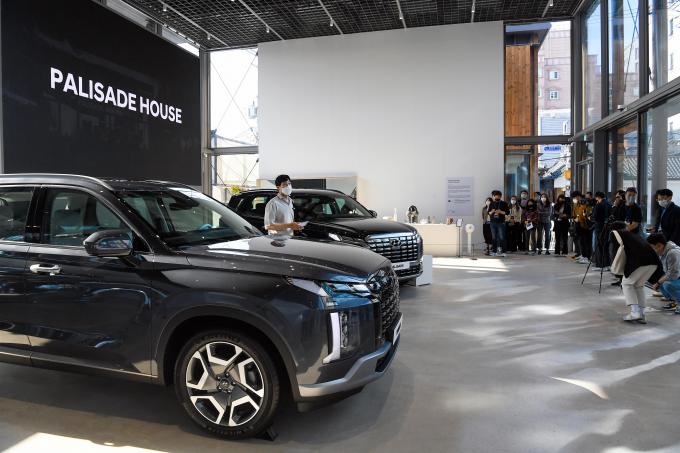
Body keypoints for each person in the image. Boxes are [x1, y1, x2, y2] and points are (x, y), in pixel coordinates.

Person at [611, 222, 664, 323]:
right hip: (654, 261)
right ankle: (642, 314)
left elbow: (617, 251)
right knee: (638, 286)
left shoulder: (617, 233)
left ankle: (635, 313)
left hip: (640, 262)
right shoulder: (634, 235)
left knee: (626, 284)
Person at [648, 233, 680, 314]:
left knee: (666, 284)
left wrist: (658, 282)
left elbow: (673, 274)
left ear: (659, 245)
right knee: (658, 281)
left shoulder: (672, 253)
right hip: (676, 277)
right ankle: (674, 301)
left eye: (652, 247)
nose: (652, 250)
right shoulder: (663, 251)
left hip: (677, 277)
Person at [591, 191, 611, 268]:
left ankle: (601, 265)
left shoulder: (598, 205)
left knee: (599, 246)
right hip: (607, 227)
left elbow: (595, 217)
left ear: (598, 197)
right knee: (605, 246)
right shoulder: (609, 204)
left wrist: (591, 217)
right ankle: (607, 264)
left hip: (599, 227)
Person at [572, 192, 593, 264]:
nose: (574, 199)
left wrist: (580, 218)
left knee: (586, 241)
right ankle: (583, 255)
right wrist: (575, 218)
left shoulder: (585, 203)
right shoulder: (577, 204)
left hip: (585, 225)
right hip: (579, 224)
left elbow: (586, 213)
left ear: (578, 196)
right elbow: (576, 213)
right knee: (581, 241)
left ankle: (587, 257)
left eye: (575, 197)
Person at [488, 190, 509, 257]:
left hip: (501, 222)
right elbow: (489, 213)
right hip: (493, 223)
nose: (496, 197)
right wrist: (492, 211)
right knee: (494, 237)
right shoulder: (491, 203)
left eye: (498, 196)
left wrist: (500, 212)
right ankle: (494, 251)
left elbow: (507, 212)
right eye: (495, 196)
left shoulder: (504, 203)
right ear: (493, 196)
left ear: (500, 196)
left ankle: (504, 252)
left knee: (502, 237)